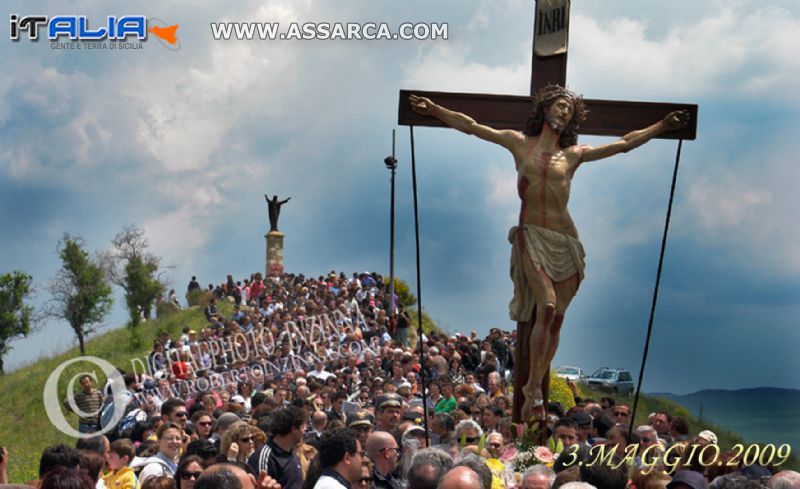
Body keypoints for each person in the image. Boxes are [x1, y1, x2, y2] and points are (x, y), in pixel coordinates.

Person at [410, 88, 689, 419]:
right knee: (548, 305)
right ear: (545, 110)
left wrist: (662, 126)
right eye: (560, 106)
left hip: (565, 239)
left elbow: (624, 143)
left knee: (557, 317)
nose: (563, 113)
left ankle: (536, 385)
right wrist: (433, 109)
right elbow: (471, 125)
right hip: (532, 236)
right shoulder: (518, 143)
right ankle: (530, 387)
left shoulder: (573, 155)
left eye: (569, 111)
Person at [248, 406, 305, 489]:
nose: (305, 431)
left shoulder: (292, 453)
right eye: (302, 427)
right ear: (294, 429)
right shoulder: (265, 456)